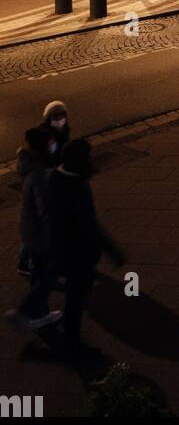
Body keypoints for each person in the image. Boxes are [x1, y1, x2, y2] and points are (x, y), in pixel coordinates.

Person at [48, 138, 125, 358]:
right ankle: (72, 345)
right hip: (76, 255)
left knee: (75, 298)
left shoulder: (58, 178)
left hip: (67, 252)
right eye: (87, 156)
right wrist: (113, 251)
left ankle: (71, 341)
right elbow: (89, 225)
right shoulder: (74, 188)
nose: (91, 159)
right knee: (75, 300)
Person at [5, 129, 61, 332]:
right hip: (41, 235)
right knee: (50, 274)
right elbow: (45, 209)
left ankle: (40, 314)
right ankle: (26, 311)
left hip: (30, 230)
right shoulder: (40, 173)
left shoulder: (28, 164)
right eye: (50, 141)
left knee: (38, 271)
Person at [39, 100, 70, 168]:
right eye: (55, 116)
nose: (59, 118)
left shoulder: (65, 128)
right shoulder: (44, 132)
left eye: (61, 115)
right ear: (49, 117)